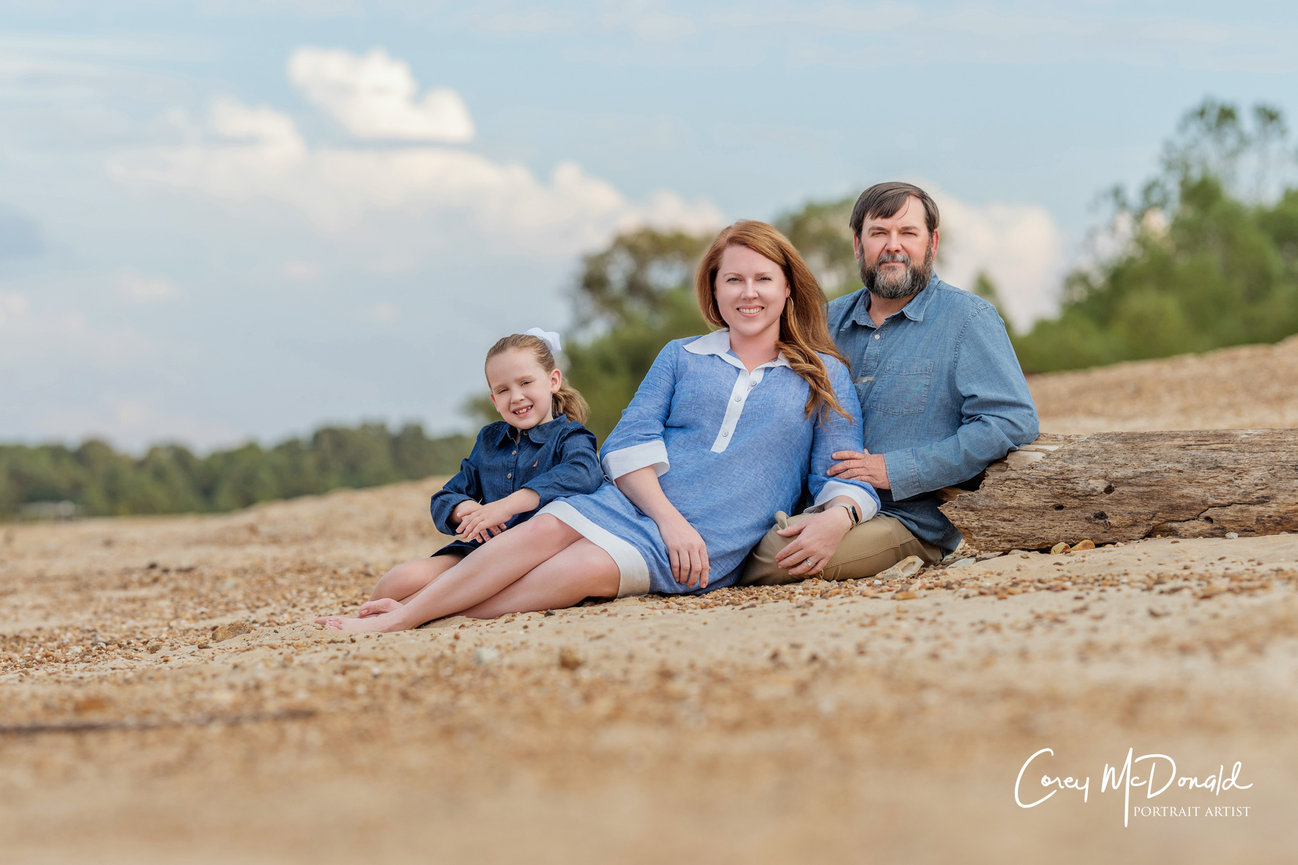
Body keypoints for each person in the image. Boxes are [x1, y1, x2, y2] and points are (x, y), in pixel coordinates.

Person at [314, 220, 880, 632]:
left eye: (762, 279)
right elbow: (628, 443)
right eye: (733, 280)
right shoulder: (681, 356)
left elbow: (843, 470)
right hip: (633, 506)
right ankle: (409, 614)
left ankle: (416, 613)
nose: (748, 293)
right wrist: (668, 518)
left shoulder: (823, 375)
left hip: (706, 542)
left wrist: (841, 515)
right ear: (714, 290)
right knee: (543, 530)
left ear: (787, 287)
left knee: (577, 569)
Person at [741, 181, 1040, 584]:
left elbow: (1010, 422)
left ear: (932, 243)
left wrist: (895, 469)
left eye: (908, 233)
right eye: (879, 233)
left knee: (777, 552)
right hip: (819, 500)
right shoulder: (825, 323)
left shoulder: (968, 320)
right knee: (731, 529)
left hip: (903, 517)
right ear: (858, 244)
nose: (892, 246)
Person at [351, 329, 604, 610]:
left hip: (538, 557)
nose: (516, 397)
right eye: (503, 390)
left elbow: (585, 473)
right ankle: (396, 608)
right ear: (494, 400)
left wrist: (507, 505)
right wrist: (465, 510)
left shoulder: (570, 437)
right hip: (483, 552)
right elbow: (445, 496)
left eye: (526, 382)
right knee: (396, 581)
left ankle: (407, 612)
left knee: (443, 591)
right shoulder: (490, 440)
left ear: (552, 380)